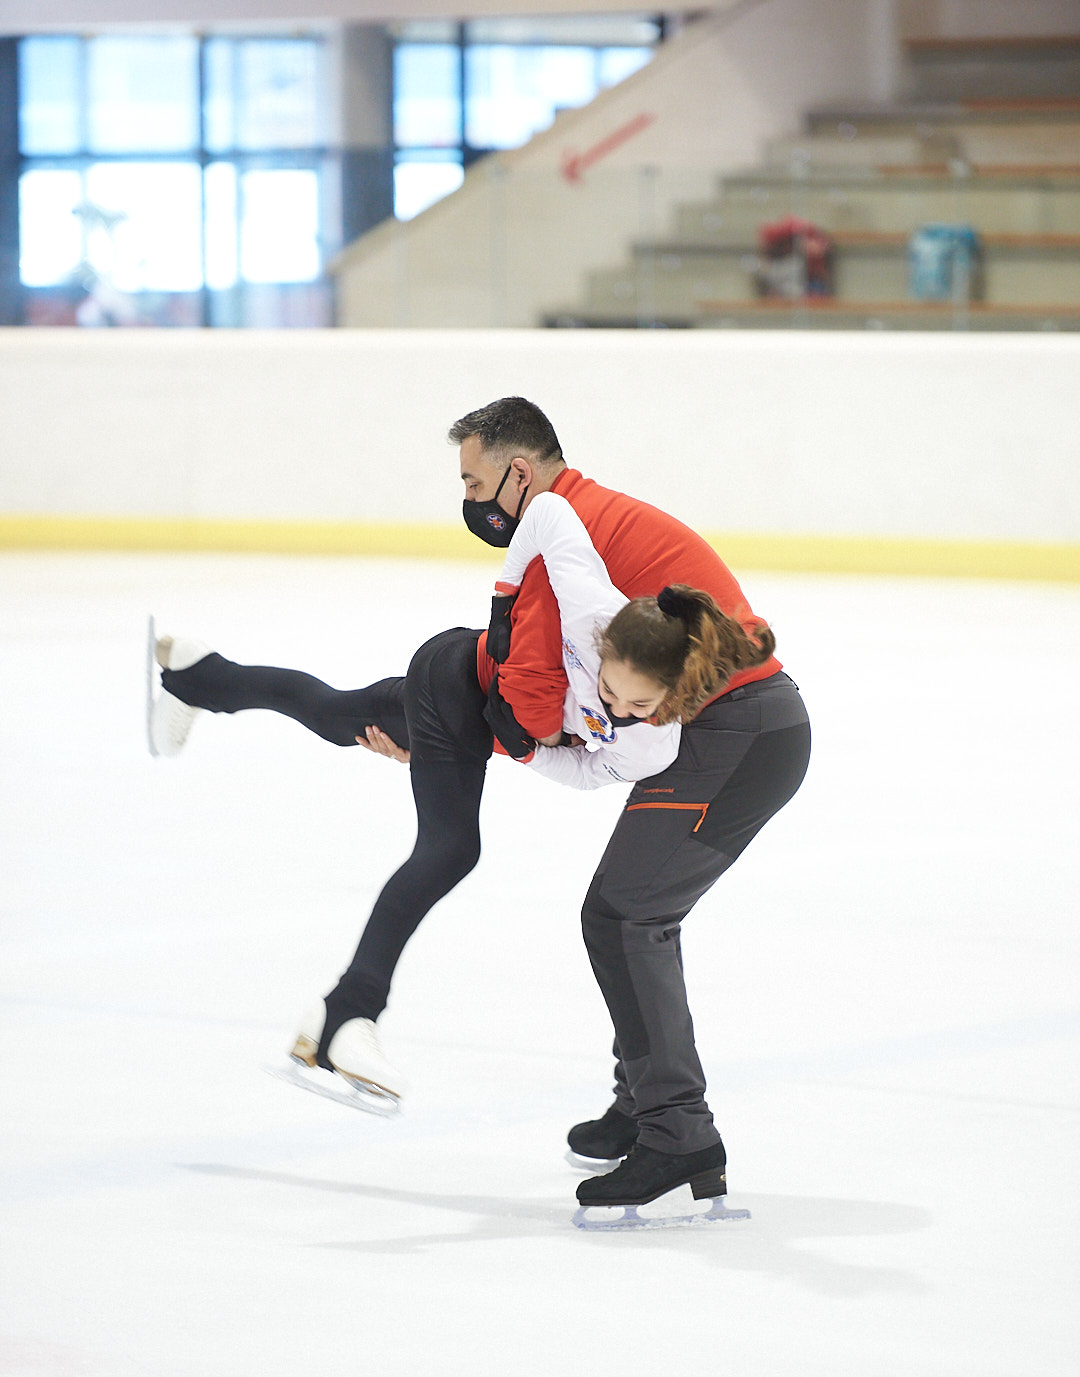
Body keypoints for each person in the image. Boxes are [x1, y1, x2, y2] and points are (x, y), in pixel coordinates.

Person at [152, 396, 810, 1214]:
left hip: (736, 732)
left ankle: (675, 1128)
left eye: (473, 480)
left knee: (626, 914)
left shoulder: (572, 529)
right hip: (685, 722)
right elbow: (543, 694)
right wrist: (465, 737)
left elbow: (539, 699)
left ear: (519, 473)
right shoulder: (577, 529)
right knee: (360, 720)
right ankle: (199, 679)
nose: (469, 499)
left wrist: (484, 735)